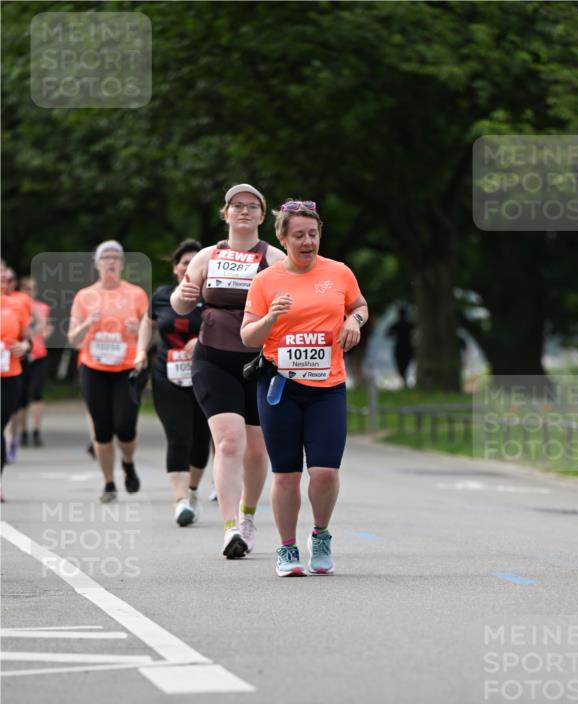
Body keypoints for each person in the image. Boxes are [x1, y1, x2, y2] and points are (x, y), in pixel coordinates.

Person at [241, 200, 368, 577]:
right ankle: (286, 548)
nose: (308, 241)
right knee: (286, 474)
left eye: (313, 234)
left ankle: (321, 535)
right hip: (280, 386)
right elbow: (249, 336)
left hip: (327, 386)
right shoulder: (266, 280)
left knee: (326, 471)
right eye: (299, 235)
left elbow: (360, 305)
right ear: (282, 238)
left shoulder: (339, 273)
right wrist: (270, 317)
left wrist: (354, 321)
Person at [171, 183, 284, 557]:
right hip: (213, 358)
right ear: (226, 213)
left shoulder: (274, 258)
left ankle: (248, 516)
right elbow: (181, 303)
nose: (245, 211)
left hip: (259, 363)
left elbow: (295, 302)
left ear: (262, 216)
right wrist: (184, 297)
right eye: (237, 206)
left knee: (256, 450)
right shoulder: (207, 256)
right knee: (229, 442)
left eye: (253, 206)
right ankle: (230, 528)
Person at [135, 239, 210, 526]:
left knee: (200, 441)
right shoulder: (163, 296)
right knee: (179, 437)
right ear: (176, 268)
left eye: (195, 263)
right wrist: (141, 350)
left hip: (205, 375)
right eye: (184, 263)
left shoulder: (213, 298)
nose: (189, 267)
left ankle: (191, 491)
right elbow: (147, 322)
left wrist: (200, 340)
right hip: (167, 375)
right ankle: (180, 502)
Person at [67, 241, 148, 502]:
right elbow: (73, 339)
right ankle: (109, 483)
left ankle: (128, 461)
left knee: (125, 427)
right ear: (98, 264)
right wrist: (88, 324)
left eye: (116, 257)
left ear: (122, 264)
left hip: (127, 367)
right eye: (106, 257)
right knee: (102, 429)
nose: (111, 261)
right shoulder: (84, 296)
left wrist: (138, 330)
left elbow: (149, 332)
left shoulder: (136, 294)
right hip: (94, 367)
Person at [1, 268, 31, 496]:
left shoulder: (17, 305)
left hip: (9, 374)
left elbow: (27, 338)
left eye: (7, 277)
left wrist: (24, 347)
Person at [16, 276, 52, 447]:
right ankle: (23, 432)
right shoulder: (15, 307)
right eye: (28, 289)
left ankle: (36, 431)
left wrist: (47, 330)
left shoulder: (43, 308)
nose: (31, 292)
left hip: (39, 355)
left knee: (37, 393)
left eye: (34, 289)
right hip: (21, 356)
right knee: (22, 397)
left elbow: (46, 329)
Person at [387, 305, 414, 387]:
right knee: (406, 365)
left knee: (400, 365)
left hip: (399, 347)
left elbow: (388, 334)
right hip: (408, 347)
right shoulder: (410, 324)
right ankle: (405, 380)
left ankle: (404, 380)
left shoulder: (396, 324)